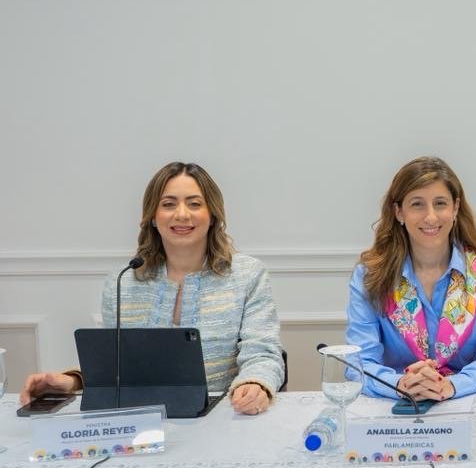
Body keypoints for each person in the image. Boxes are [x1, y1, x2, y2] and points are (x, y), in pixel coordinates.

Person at [19, 162, 284, 414]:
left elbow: (263, 353)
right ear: (153, 217)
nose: (182, 214)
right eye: (168, 204)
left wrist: (256, 384)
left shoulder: (248, 274)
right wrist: (72, 381)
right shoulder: (122, 282)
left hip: (224, 416)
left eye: (194, 204)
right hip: (143, 420)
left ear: (213, 215)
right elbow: (117, 367)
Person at [346, 157, 476, 402]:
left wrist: (450, 386)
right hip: (395, 405)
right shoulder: (369, 277)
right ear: (399, 212)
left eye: (440, 203)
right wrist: (400, 384)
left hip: (465, 401)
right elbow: (359, 363)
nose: (431, 217)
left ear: (455, 208)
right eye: (417, 204)